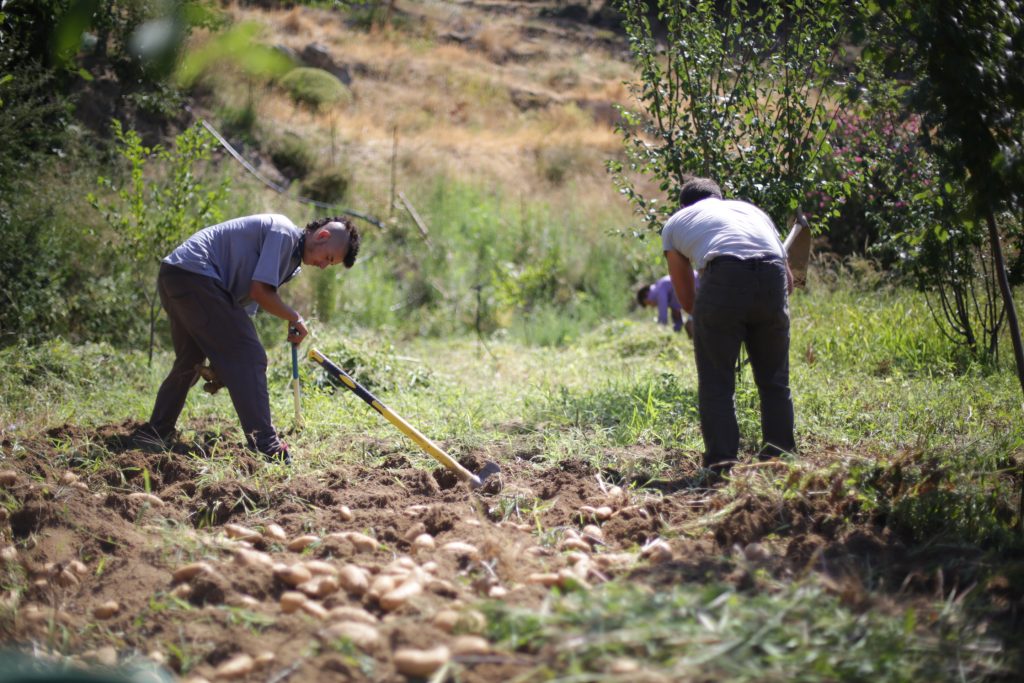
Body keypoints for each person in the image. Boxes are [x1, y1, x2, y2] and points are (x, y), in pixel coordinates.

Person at [135, 213, 360, 463]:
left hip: (176, 273)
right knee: (251, 357)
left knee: (190, 360)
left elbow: (242, 306)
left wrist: (227, 362)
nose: (323, 266)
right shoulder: (284, 233)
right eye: (327, 258)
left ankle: (154, 432)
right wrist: (294, 318)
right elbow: (260, 292)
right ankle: (265, 443)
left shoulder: (292, 261)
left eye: (330, 264)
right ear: (322, 235)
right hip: (195, 274)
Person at [661, 177, 795, 476]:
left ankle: (721, 464)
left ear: (684, 205)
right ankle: (780, 458)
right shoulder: (753, 212)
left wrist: (717, 319)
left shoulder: (677, 222)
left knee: (716, 382)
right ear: (720, 198)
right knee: (775, 380)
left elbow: (685, 298)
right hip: (772, 278)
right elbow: (788, 282)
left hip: (723, 275)